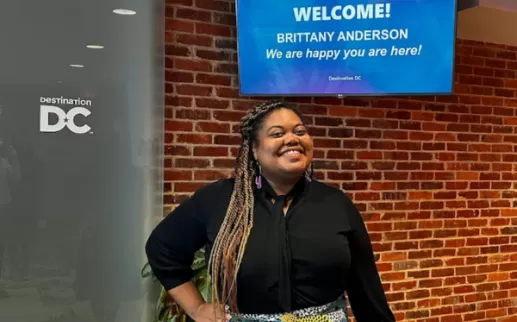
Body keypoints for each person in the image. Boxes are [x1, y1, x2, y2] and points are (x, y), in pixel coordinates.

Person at [145, 100, 395, 322]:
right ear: (254, 149)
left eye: (300, 132)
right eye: (277, 133)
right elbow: (162, 249)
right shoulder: (220, 199)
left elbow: (366, 288)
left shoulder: (336, 204)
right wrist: (197, 307)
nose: (292, 139)